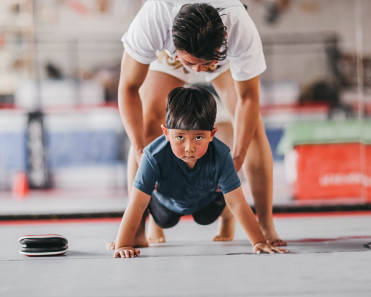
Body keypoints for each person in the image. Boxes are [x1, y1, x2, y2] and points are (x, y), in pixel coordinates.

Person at [118, 0, 285, 247]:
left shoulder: (240, 29)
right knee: (148, 126)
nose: (197, 73)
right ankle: (141, 226)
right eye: (192, 64)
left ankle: (265, 223)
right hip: (169, 58)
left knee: (253, 131)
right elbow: (127, 89)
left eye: (204, 65)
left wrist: (239, 154)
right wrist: (139, 149)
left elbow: (248, 98)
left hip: (221, 58)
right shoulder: (152, 21)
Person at [111, 87, 288, 258]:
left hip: (207, 200)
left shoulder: (220, 155)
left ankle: (227, 220)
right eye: (179, 137)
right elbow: (137, 203)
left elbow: (238, 203)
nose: (189, 148)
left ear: (212, 134)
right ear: (166, 133)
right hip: (167, 202)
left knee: (210, 214)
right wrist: (123, 244)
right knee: (164, 219)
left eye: (198, 138)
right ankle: (156, 226)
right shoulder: (153, 155)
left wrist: (258, 241)